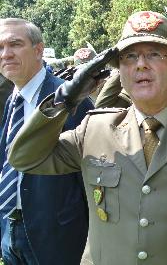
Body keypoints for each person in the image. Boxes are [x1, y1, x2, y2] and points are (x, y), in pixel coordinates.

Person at [9, 11, 167, 265]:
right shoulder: (95, 129)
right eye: (129, 57)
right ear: (119, 73)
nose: (140, 64)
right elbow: (24, 158)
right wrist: (65, 98)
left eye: (154, 54)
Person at [0, 18, 92, 265]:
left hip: (57, 236)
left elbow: (89, 175)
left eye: (15, 44)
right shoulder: (11, 99)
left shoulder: (72, 99)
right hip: (10, 230)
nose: (5, 54)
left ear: (39, 50)